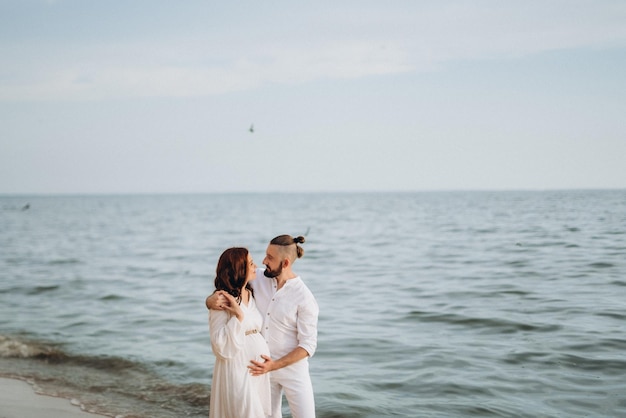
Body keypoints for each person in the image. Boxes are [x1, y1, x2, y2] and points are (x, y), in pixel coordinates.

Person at [206, 235, 319, 418]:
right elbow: (233, 279)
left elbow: (308, 345)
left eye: (270, 258)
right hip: (259, 368)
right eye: (266, 255)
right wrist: (210, 301)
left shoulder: (304, 298)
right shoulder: (258, 277)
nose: (263, 261)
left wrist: (274, 365)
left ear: (285, 263)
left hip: (292, 370)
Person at [207, 247, 271, 418]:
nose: (256, 266)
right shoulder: (222, 300)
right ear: (239, 269)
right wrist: (238, 316)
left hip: (256, 370)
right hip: (236, 367)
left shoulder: (251, 291)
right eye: (250, 263)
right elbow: (218, 345)